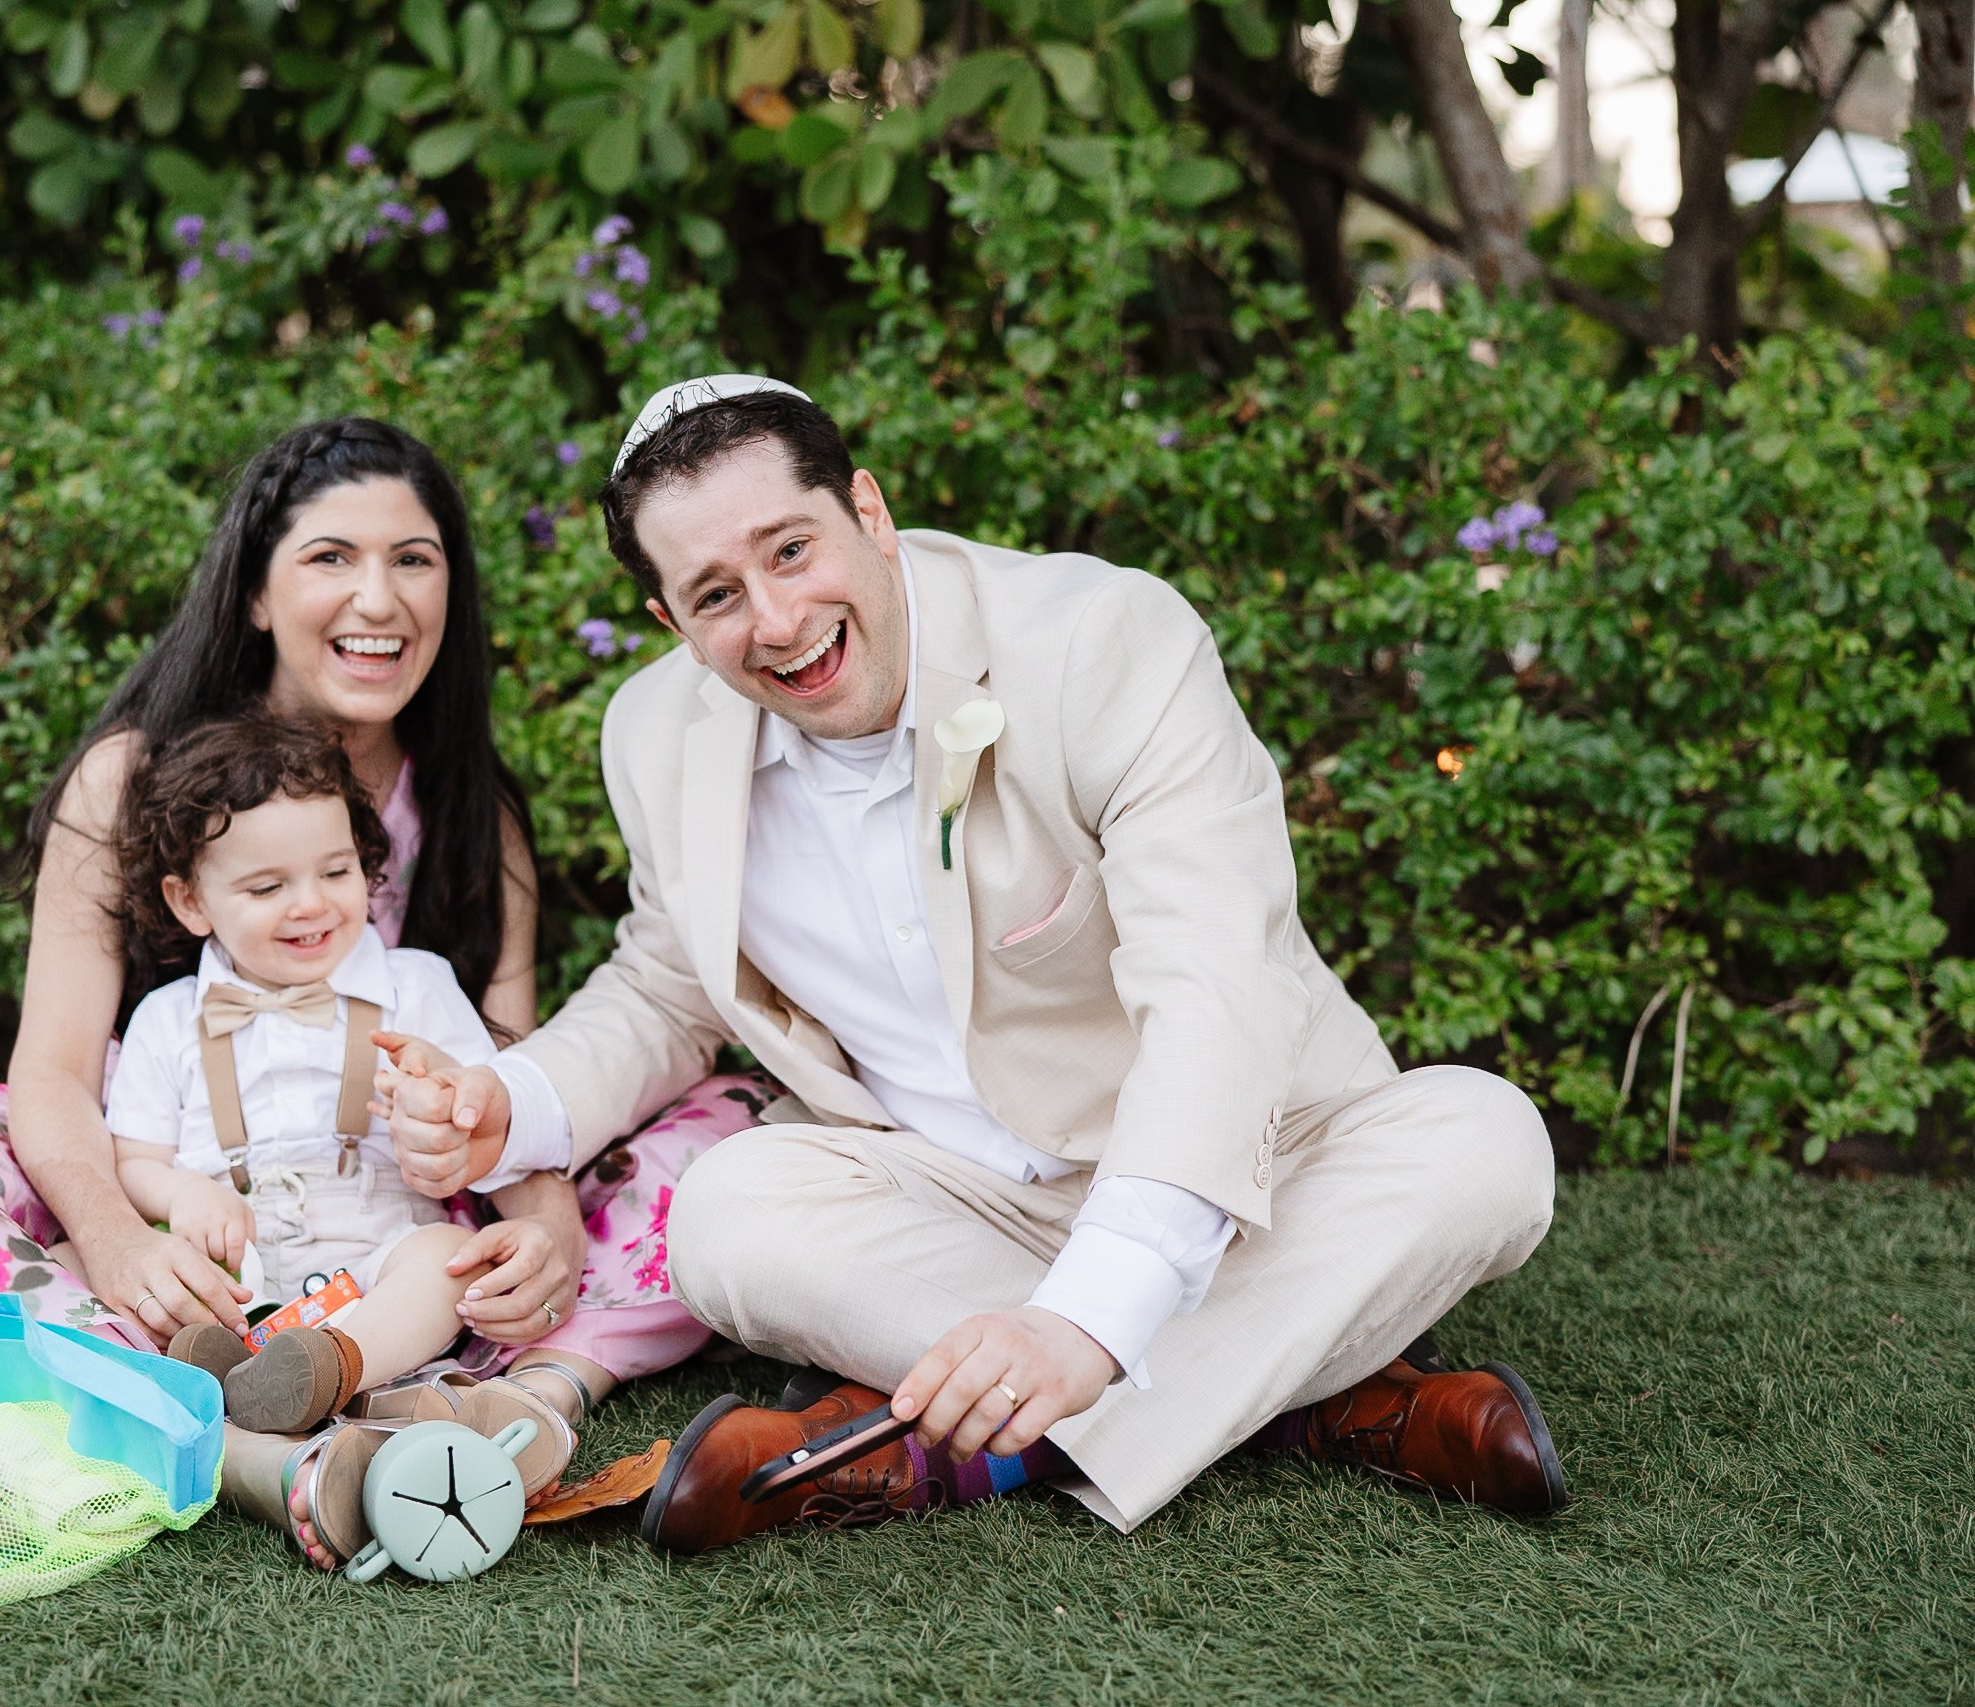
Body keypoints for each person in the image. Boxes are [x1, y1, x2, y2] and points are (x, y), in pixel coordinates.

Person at [379, 376, 1569, 1553]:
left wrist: (1089, 1319)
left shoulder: (1104, 639)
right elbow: (666, 983)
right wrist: (515, 1104)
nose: (776, 621)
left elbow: (1218, 987)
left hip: (1254, 1168)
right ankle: (1325, 1399)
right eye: (716, 595)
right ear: (670, 623)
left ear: (868, 510)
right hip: (955, 1205)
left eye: (791, 550)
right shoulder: (652, 733)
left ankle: (947, 1445)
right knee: (726, 1218)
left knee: (1486, 1141)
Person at [0, 417, 770, 1541]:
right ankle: (238, 1433)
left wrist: (546, 1235)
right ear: (254, 593)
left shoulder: (470, 813)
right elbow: (53, 1070)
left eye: (413, 559)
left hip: (401, 1222)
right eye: (330, 556)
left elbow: (507, 1093)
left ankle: (533, 1387)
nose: (378, 599)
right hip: (159, 1182)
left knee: (730, 1126)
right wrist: (122, 1241)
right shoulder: (129, 778)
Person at [102, 711, 577, 1554]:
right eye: (266, 887)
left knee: (447, 1259)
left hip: (378, 1250)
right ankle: (243, 1374)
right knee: (121, 1277)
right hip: (240, 1269)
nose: (312, 904)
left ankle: (332, 1367)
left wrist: (436, 1097)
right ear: (190, 900)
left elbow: (486, 1111)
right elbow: (134, 1157)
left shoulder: (414, 983)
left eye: (335, 870)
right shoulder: (168, 1018)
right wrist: (184, 1192)